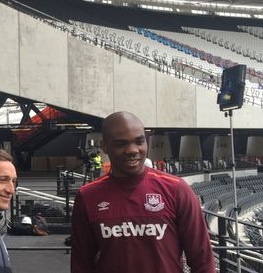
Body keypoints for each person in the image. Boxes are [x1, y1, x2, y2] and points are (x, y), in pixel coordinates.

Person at [70, 111, 215, 273]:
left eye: (139, 142)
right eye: (121, 144)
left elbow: (202, 260)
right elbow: (81, 264)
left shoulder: (176, 189)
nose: (132, 150)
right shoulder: (88, 196)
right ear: (104, 146)